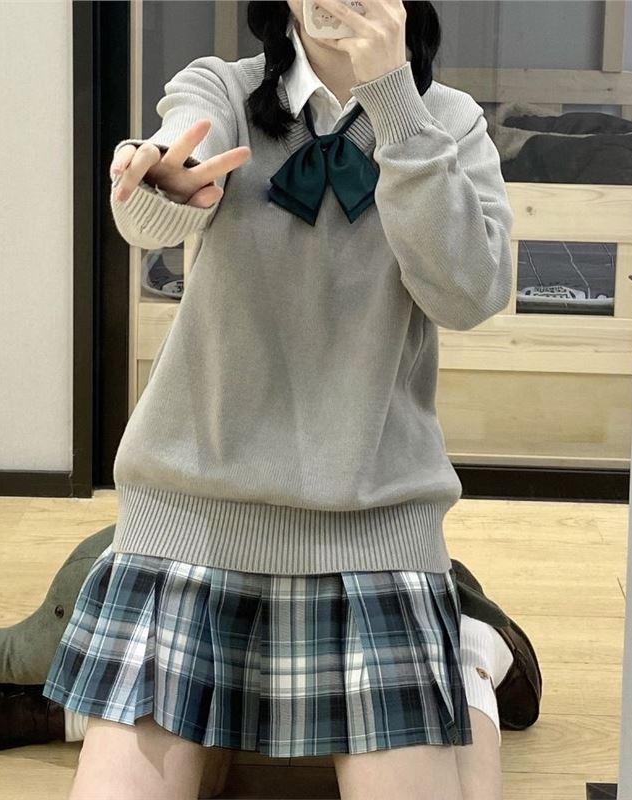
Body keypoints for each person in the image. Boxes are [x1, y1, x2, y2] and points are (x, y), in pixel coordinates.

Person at [42, 1, 516, 799]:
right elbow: (159, 189)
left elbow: (469, 291)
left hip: (374, 528)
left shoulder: (449, 121)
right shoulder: (222, 89)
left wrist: (394, 102)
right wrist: (157, 174)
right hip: (194, 519)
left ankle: (469, 661)